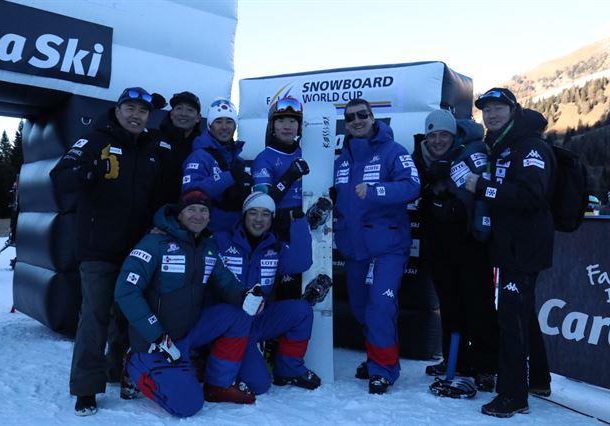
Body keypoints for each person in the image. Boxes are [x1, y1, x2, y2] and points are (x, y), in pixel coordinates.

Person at [50, 87, 161, 415]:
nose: (136, 115)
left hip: (136, 249)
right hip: (98, 248)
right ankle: (86, 388)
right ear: (117, 110)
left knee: (126, 316)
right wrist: (89, 172)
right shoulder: (95, 140)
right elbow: (60, 177)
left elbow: (158, 194)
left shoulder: (151, 147)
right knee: (95, 316)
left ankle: (117, 371)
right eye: (130, 108)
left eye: (142, 111)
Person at [114, 189, 264, 418]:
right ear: (179, 214)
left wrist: (246, 297)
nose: (198, 215)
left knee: (239, 315)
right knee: (188, 405)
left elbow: (226, 283)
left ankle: (218, 383)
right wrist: (156, 335)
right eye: (191, 209)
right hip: (156, 341)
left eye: (204, 210)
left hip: (189, 333)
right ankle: (134, 365)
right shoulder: (155, 243)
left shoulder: (208, 248)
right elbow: (126, 291)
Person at [465, 87, 555, 418]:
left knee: (511, 319)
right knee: (523, 314)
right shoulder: (501, 145)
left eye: (498, 108)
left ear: (513, 110)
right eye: (486, 110)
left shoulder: (529, 146)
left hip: (524, 247)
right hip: (512, 245)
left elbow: (532, 195)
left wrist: (484, 188)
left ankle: (512, 396)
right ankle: (539, 380)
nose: (491, 114)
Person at [332, 98, 420, 394]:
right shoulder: (341, 159)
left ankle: (384, 368)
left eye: (362, 115)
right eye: (351, 117)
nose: (356, 121)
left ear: (373, 118)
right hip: (355, 249)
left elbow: (412, 186)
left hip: (387, 248)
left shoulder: (394, 152)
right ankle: (375, 359)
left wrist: (376, 190)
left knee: (380, 307)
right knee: (360, 308)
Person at [412, 109, 498, 392]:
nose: (437, 141)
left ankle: (485, 366)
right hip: (439, 244)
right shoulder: (424, 157)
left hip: (470, 244)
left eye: (443, 135)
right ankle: (455, 359)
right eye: (433, 135)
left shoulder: (471, 154)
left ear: (453, 135)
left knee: (478, 306)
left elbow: (472, 195)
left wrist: (445, 195)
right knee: (450, 305)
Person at [213, 191, 322, 394]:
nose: (258, 219)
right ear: (244, 215)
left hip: (257, 321)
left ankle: (289, 370)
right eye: (253, 213)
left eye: (265, 214)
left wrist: (298, 224)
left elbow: (301, 262)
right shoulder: (221, 241)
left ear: (272, 218)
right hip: (228, 324)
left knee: (301, 310)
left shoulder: (274, 247)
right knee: (259, 384)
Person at [182, 98, 253, 232]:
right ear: (210, 126)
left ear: (235, 126)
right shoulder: (199, 156)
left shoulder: (238, 161)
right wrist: (229, 176)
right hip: (208, 234)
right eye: (218, 122)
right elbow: (189, 192)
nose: (224, 127)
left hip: (237, 233)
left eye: (229, 121)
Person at [251, 96, 310, 238]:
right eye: (281, 120)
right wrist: (289, 176)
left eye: (292, 121)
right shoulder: (264, 158)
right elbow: (263, 203)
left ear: (299, 126)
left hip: (309, 224)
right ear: (272, 126)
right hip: (278, 228)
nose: (287, 126)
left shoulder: (308, 153)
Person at [154, 91, 202, 204]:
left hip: (188, 215)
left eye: (190, 110)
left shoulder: (202, 148)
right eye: (179, 108)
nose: (183, 113)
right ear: (171, 114)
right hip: (150, 212)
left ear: (198, 118)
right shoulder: (152, 138)